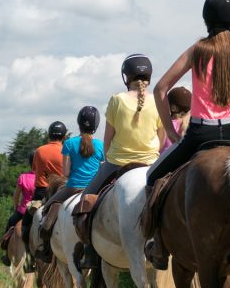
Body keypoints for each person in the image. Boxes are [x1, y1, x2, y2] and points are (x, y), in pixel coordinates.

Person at [144, 0, 230, 270]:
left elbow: (160, 89)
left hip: (199, 136)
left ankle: (158, 244)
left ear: (206, 21)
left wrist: (171, 135)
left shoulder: (197, 51)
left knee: (153, 178)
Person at [75, 54, 165, 269]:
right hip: (151, 163)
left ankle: (88, 252)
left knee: (85, 203)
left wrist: (108, 160)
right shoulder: (158, 101)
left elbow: (107, 139)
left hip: (117, 162)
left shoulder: (117, 100)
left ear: (127, 76)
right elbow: (161, 138)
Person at [36, 106, 104, 262]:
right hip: (93, 189)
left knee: (46, 210)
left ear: (79, 123)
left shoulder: (69, 144)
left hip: (72, 187)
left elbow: (65, 173)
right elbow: (101, 169)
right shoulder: (101, 145)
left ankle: (46, 249)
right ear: (96, 125)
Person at [21, 121, 67, 271]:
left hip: (42, 192)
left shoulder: (39, 151)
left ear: (49, 135)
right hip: (63, 191)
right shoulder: (66, 150)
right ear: (64, 136)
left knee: (26, 222)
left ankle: (30, 259)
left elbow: (35, 169)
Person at [0, 151, 36, 266]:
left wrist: (17, 207)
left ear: (30, 163)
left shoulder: (23, 177)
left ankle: (6, 252)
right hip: (38, 210)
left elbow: (16, 196)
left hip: (23, 210)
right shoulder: (45, 178)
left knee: (11, 222)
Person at [159, 86, 192, 154]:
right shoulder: (192, 125)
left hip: (165, 161)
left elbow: (158, 147)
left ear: (173, 108)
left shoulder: (165, 124)